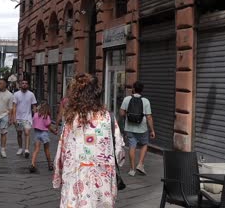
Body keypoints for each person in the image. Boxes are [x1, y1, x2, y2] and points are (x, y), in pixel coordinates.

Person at [53, 73, 125, 207]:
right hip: (101, 187)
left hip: (74, 183)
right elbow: (120, 153)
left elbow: (61, 153)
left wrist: (58, 177)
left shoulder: (71, 120)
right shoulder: (108, 118)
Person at [120, 81, 155, 176]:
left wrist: (127, 116)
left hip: (129, 127)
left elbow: (122, 113)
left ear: (133, 89)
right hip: (142, 128)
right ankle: (140, 164)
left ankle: (132, 170)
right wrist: (152, 130)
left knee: (132, 146)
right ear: (142, 90)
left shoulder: (127, 99)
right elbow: (149, 117)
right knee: (144, 144)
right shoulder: (146, 101)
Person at [30, 101, 57, 173]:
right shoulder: (46, 117)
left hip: (36, 133)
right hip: (44, 133)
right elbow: (48, 126)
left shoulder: (35, 115)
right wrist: (54, 131)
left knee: (36, 149)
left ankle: (32, 164)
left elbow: (33, 122)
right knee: (47, 149)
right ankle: (50, 164)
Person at [12, 80, 37, 158]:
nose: (24, 85)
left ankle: (26, 149)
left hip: (27, 117)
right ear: (20, 85)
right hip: (18, 117)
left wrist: (35, 116)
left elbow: (34, 106)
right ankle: (20, 148)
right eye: (23, 83)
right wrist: (14, 117)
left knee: (27, 133)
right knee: (19, 133)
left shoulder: (31, 94)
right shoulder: (16, 94)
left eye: (26, 83)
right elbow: (14, 106)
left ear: (28, 85)